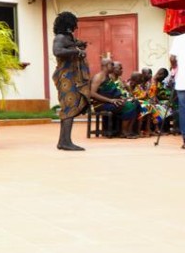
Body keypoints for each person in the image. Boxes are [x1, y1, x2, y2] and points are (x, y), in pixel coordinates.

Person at [50, 12, 90, 151]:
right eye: (74, 24)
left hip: (72, 77)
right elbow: (57, 51)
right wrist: (77, 51)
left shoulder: (68, 38)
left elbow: (69, 47)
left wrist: (77, 45)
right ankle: (65, 142)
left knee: (70, 108)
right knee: (69, 107)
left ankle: (63, 141)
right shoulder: (60, 38)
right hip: (65, 77)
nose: (76, 27)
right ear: (68, 24)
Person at [90, 60, 139, 138]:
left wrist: (123, 98)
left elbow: (112, 92)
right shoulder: (99, 77)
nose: (113, 67)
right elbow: (92, 93)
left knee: (134, 103)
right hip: (100, 104)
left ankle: (129, 130)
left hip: (110, 102)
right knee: (128, 106)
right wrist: (111, 100)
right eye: (111, 65)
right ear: (106, 66)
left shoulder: (108, 77)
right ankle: (123, 132)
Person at [170, 35, 185, 148]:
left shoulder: (178, 39)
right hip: (181, 82)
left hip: (182, 81)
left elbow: (172, 58)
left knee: (183, 111)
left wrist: (174, 68)